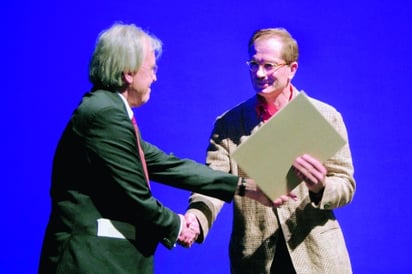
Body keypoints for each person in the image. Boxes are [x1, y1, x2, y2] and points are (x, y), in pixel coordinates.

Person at [38, 23, 277, 274]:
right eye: (151, 69)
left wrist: (243, 186)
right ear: (128, 73)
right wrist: (177, 226)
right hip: (87, 261)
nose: (155, 77)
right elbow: (135, 196)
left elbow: (167, 165)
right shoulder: (104, 114)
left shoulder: (109, 110)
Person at [185, 28, 356, 274]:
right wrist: (196, 219)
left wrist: (321, 187)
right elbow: (213, 183)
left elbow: (346, 184)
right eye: (253, 64)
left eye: (269, 65)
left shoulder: (325, 117)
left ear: (292, 69)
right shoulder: (229, 124)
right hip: (255, 261)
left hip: (317, 257)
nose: (259, 73)